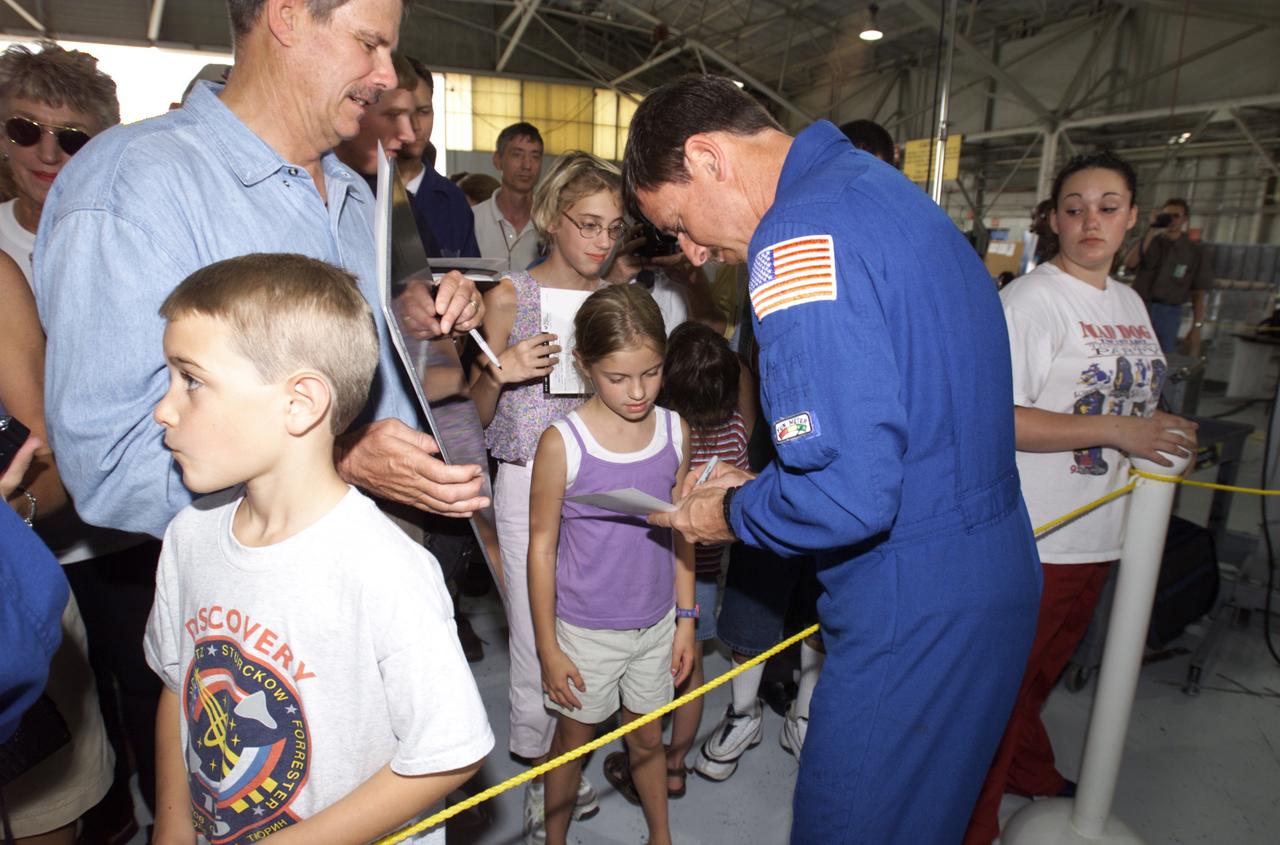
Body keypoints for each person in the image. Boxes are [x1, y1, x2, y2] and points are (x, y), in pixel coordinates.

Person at [626, 75, 1042, 843]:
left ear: (707, 156)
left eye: (678, 221)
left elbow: (849, 494)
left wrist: (725, 509)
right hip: (987, 567)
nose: (691, 250)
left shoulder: (795, 238)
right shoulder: (875, 190)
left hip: (909, 599)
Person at [34, 0, 490, 545]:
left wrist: (432, 329)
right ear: (288, 16)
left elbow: (373, 385)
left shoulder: (355, 193)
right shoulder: (131, 188)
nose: (387, 77)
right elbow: (111, 468)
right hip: (248, 600)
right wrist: (336, 460)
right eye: (369, 44)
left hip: (384, 558)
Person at [145, 253, 493, 844]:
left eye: (193, 380)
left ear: (300, 403)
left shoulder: (384, 567)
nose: (164, 409)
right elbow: (181, 684)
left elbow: (448, 753)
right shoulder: (189, 536)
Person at [965, 151, 1197, 844]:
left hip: (1106, 530)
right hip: (1040, 535)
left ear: (1132, 217)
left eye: (1107, 205)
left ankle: (1028, 769)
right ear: (1053, 219)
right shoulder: (1030, 301)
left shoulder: (1127, 303)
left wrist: (1153, 429)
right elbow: (996, 416)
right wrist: (1118, 428)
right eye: (1074, 207)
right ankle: (971, 827)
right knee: (999, 698)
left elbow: (1132, 400)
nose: (1089, 220)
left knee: (1036, 682)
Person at [469, 150, 627, 842]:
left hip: (597, 480)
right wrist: (500, 372)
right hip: (526, 476)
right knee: (533, 636)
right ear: (553, 219)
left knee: (587, 627)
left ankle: (570, 755)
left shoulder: (613, 302)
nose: (601, 241)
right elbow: (469, 417)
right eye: (588, 224)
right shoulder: (509, 295)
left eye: (613, 228)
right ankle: (539, 772)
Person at [528, 283, 696, 845]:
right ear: (583, 364)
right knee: (571, 745)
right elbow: (541, 547)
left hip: (655, 627)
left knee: (647, 741)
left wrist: (686, 619)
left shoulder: (675, 431)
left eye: (650, 373)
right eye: (617, 377)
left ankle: (661, 836)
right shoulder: (562, 443)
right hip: (584, 632)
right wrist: (548, 647)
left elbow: (683, 531)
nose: (637, 392)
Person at [603, 320, 756, 801]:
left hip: (659, 570)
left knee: (644, 670)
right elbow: (745, 399)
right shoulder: (736, 431)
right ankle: (673, 765)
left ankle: (641, 757)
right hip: (709, 575)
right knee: (690, 671)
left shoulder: (669, 438)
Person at [0, 43, 117, 279]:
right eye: (25, 130)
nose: (48, 155)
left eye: (73, 138)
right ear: (2, 139)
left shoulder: (125, 246)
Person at [399, 56, 480, 258]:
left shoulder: (453, 201)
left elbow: (471, 276)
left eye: (424, 112)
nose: (416, 126)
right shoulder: (358, 192)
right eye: (403, 113)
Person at [1122, 197, 1214, 355]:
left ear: (1185, 219)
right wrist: (1152, 228)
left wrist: (1196, 327)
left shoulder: (1194, 252)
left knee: (1162, 359)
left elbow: (1198, 293)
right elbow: (1130, 263)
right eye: (1167, 215)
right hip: (1139, 308)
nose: (1171, 220)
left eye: (1176, 216)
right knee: (1129, 355)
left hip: (1169, 313)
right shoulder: (1148, 243)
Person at [474, 121, 545, 271]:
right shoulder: (474, 219)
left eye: (535, 156)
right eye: (517, 155)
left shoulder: (551, 222)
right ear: (497, 160)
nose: (527, 165)